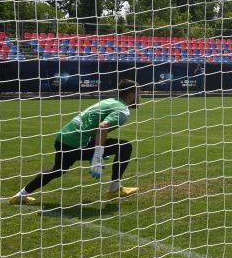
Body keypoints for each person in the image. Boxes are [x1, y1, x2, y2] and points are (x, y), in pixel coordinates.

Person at [12, 79, 141, 204]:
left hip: (63, 138)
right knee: (125, 146)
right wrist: (97, 154)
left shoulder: (110, 101)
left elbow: (93, 126)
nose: (139, 96)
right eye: (138, 93)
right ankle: (114, 190)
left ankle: (20, 195)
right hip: (77, 143)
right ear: (130, 94)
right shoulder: (123, 110)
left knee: (58, 169)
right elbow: (102, 126)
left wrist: (98, 149)